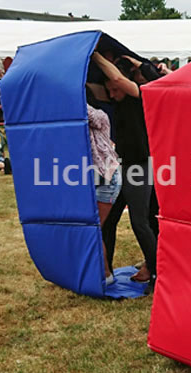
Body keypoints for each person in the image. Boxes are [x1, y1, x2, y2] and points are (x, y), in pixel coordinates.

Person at [91, 51, 158, 292]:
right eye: (109, 90)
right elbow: (96, 88)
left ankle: (157, 273)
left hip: (140, 166)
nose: (111, 93)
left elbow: (119, 81)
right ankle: (104, 270)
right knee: (109, 221)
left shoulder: (140, 94)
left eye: (114, 89)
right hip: (123, 167)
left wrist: (96, 55)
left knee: (140, 222)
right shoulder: (117, 98)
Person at [87, 103, 121, 285]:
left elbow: (91, 116)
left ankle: (105, 275)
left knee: (94, 228)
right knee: (93, 227)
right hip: (95, 177)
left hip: (107, 177)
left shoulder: (100, 116)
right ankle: (101, 272)